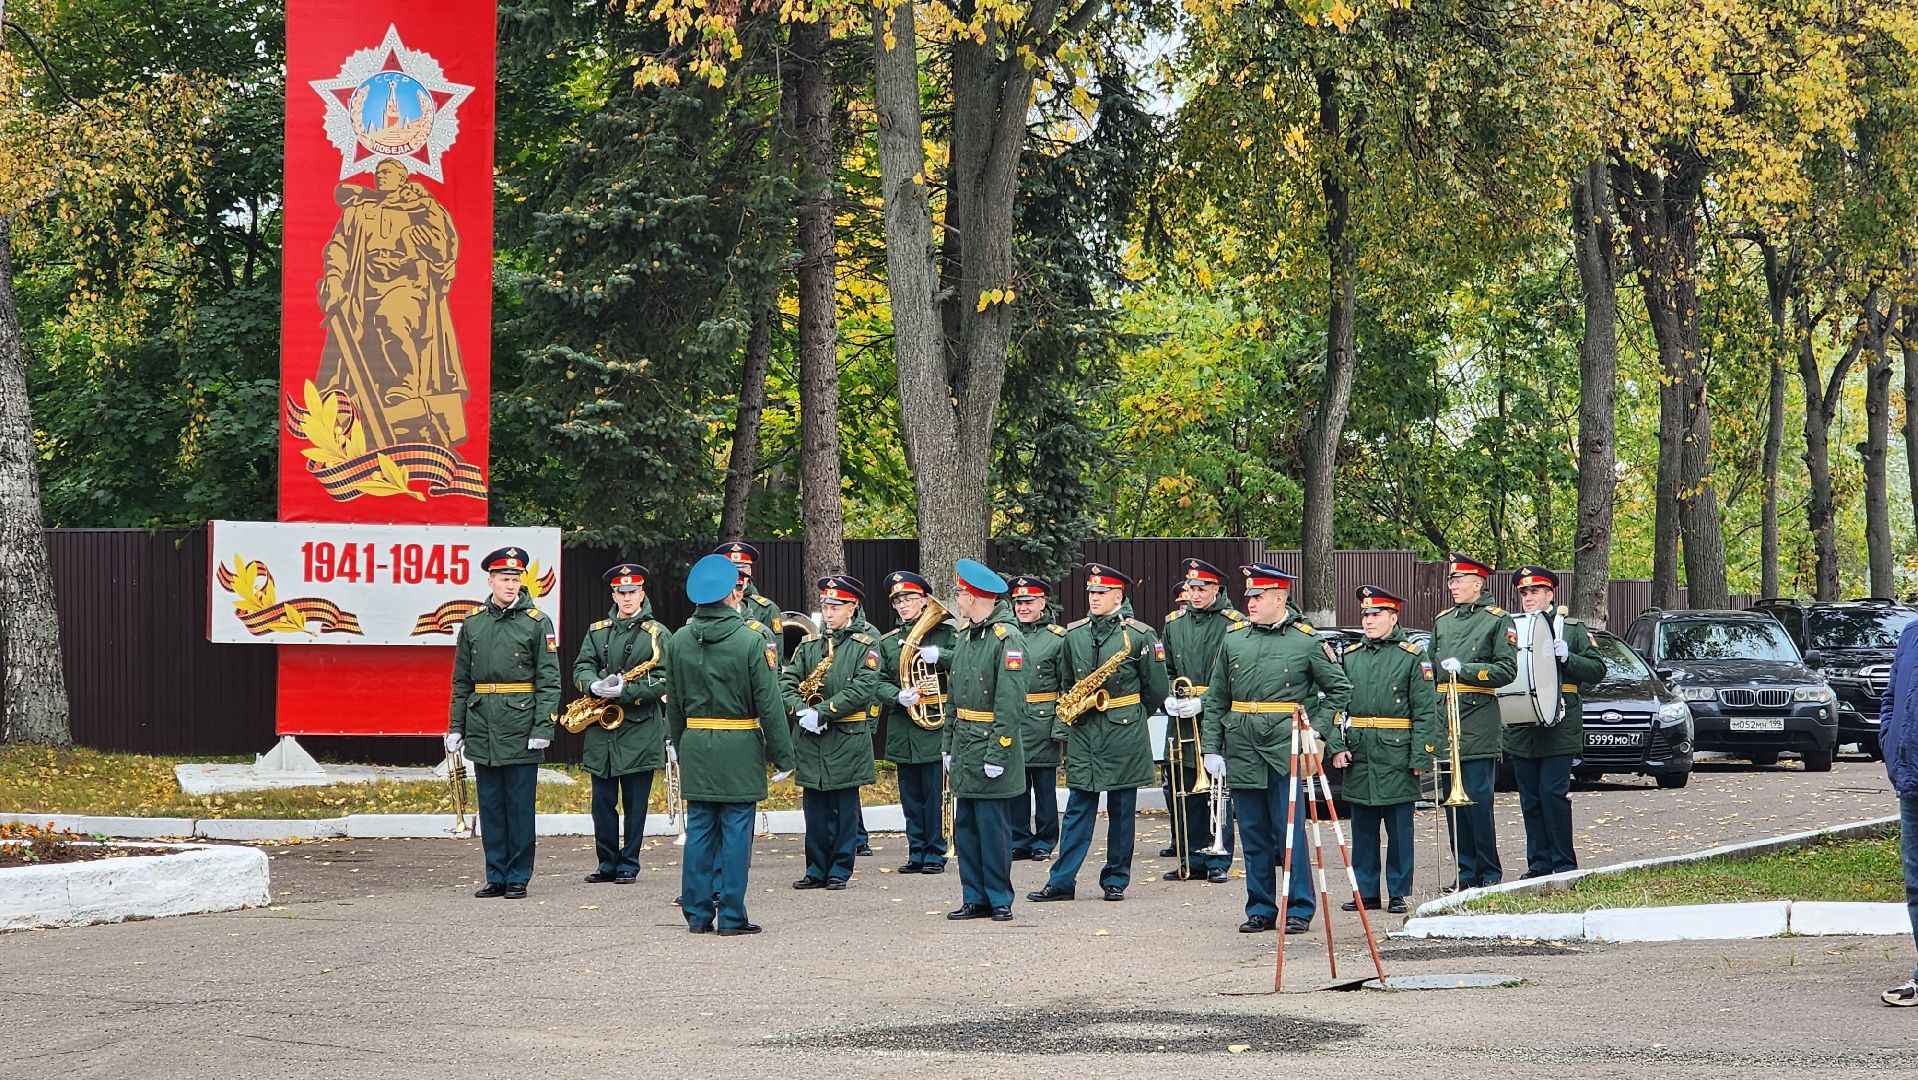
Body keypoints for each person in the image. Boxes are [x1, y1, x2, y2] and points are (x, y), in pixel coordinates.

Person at [1198, 563, 1352, 934]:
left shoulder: (1306, 640)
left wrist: (1312, 727)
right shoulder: (1234, 638)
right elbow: (1218, 697)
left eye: (1258, 596)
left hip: (1284, 747)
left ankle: (1299, 906)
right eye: (1249, 596)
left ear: (1279, 598)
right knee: (1251, 832)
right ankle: (1261, 908)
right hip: (1242, 745)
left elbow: (1340, 689)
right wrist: (1211, 748)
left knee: (1289, 832)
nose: (1250, 603)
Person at [666, 553, 796, 936]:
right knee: (737, 834)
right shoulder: (750, 641)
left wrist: (677, 741)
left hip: (696, 742)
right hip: (739, 745)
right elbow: (769, 704)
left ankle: (697, 914)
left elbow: (674, 702)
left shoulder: (678, 640)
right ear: (731, 596)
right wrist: (783, 755)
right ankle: (732, 916)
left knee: (700, 831)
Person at [1030, 562, 1166, 904]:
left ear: (1118, 596)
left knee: (1122, 809)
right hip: (1085, 729)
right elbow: (1064, 682)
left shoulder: (1139, 635)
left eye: (1101, 592)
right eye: (1091, 591)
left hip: (1123, 730)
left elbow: (1156, 690)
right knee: (1078, 807)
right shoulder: (1073, 634)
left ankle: (1116, 879)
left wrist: (1130, 714)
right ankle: (1061, 880)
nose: (1093, 597)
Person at [446, 547, 561, 900]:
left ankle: (518, 875)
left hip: (521, 724)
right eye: (504, 579)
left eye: (515, 579)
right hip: (483, 723)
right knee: (491, 805)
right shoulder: (474, 624)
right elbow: (461, 680)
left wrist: (543, 728)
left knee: (519, 805)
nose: (510, 585)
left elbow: (549, 679)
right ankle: (495, 874)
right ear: (491, 581)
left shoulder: (537, 622)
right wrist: (456, 726)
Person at [782, 575, 886, 890]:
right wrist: (800, 710)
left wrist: (823, 711)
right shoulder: (809, 644)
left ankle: (840, 868)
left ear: (852, 607)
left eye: (836, 606)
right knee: (814, 806)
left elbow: (864, 687)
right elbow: (787, 682)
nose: (828, 611)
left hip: (846, 734)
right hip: (812, 736)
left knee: (842, 807)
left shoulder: (865, 645)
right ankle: (815, 868)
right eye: (826, 605)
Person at [1337, 585, 1436, 914]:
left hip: (1397, 754)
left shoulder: (1412, 656)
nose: (1368, 620)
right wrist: (1336, 745)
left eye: (1376, 614)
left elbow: (1425, 711)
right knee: (1362, 829)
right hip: (1360, 753)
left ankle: (1398, 891)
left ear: (1393, 617)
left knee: (1399, 829)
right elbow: (1337, 706)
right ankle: (1365, 891)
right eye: (1365, 614)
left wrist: (1421, 755)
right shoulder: (1351, 657)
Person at [1503, 566, 1606, 878]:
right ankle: (1538, 864)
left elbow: (1597, 670)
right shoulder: (1512, 629)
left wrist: (1568, 658)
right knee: (1530, 798)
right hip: (1523, 726)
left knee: (1552, 794)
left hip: (1560, 725)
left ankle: (1563, 863)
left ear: (1550, 594)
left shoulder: (1571, 629)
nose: (1529, 597)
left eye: (1535, 591)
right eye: (1524, 592)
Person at [572, 562, 670, 885]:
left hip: (639, 728)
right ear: (613, 594)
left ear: (642, 593)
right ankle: (606, 862)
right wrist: (592, 686)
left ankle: (629, 861)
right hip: (602, 729)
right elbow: (581, 666)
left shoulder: (657, 634)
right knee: (601, 802)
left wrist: (627, 690)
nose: (627, 597)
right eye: (621, 592)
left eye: (632, 591)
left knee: (635, 802)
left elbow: (665, 679)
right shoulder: (597, 630)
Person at [943, 559, 1029, 921]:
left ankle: (999, 897)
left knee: (993, 829)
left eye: (961, 593)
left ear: (977, 597)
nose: (958, 598)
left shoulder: (1007, 639)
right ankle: (973, 895)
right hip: (964, 742)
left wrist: (999, 752)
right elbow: (954, 696)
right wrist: (946, 744)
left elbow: (1010, 703)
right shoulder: (965, 635)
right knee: (966, 829)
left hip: (990, 743)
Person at [1429, 552, 1518, 891]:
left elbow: (1507, 670)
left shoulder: (1497, 620)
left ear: (1478, 584)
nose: (1453, 585)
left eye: (1459, 580)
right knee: (1453, 804)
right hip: (1446, 716)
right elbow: (1430, 667)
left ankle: (1489, 872)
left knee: (1478, 801)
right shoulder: (1444, 620)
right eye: (1451, 580)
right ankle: (1465, 872)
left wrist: (1464, 670)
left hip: (1478, 718)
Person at [1160, 557, 1243, 883]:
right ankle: (1190, 858)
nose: (1194, 593)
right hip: (1181, 716)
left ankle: (1218, 859)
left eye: (1201, 588)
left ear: (1216, 589)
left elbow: (1235, 678)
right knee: (1185, 791)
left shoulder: (1233, 624)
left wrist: (1202, 701)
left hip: (1217, 715)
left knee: (1217, 791)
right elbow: (1165, 670)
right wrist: (1170, 695)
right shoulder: (1174, 624)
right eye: (1191, 587)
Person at [880, 570, 954, 874]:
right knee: (910, 797)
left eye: (909, 598)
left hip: (936, 727)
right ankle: (916, 850)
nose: (903, 604)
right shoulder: (888, 642)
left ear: (924, 600)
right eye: (898, 600)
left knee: (935, 794)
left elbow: (966, 662)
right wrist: (897, 695)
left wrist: (943, 657)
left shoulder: (946, 635)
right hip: (904, 727)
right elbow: (876, 681)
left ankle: (936, 851)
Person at [1006, 576, 1067, 861]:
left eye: (1029, 602)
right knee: (1016, 785)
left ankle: (1044, 839)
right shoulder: (1006, 634)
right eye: (1018, 602)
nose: (1023, 607)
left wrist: (1061, 724)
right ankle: (1019, 838)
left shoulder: (1057, 637)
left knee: (1044, 787)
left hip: (1044, 720)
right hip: (1014, 719)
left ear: (1042, 603)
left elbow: (1067, 685)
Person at [1875, 614, 1918, 1006]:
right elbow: (1891, 697)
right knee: (1916, 884)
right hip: (1912, 781)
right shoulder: (1911, 633)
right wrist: (1890, 744)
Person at [714, 541, 785, 638]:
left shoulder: (767, 609)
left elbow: (774, 648)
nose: (736, 575)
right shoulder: (712, 603)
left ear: (750, 572)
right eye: (730, 569)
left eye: (742, 569)